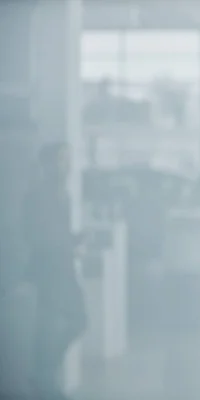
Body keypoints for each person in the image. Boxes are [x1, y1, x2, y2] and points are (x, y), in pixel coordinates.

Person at [21, 142, 87, 400]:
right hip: (49, 270)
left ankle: (42, 372)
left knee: (77, 321)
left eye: (68, 160)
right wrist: (66, 242)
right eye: (61, 160)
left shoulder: (62, 194)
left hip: (63, 267)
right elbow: (37, 236)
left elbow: (56, 234)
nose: (67, 166)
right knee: (49, 325)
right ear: (48, 164)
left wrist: (73, 239)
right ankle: (42, 376)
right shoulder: (38, 196)